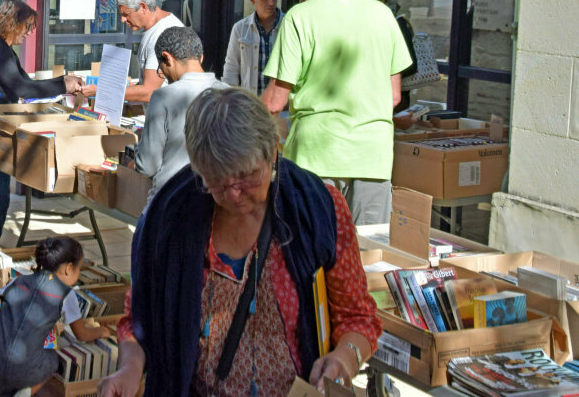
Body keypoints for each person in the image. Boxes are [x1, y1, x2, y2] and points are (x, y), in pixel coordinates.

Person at [99, 87, 381, 396]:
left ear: (272, 150)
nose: (233, 194)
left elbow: (357, 317)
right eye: (217, 182)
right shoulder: (170, 217)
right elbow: (140, 321)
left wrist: (346, 357)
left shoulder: (317, 210)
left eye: (247, 177)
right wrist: (129, 370)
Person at [262, 0, 412, 225]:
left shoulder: (299, 17)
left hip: (318, 154)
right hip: (373, 155)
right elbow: (393, 96)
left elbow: (274, 102)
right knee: (369, 252)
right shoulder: (383, 13)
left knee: (315, 251)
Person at [0, 0, 84, 253]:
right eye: (28, 26)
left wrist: (62, 81)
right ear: (13, 23)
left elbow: (25, 84)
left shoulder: (1, 47)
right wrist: (63, 84)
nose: (30, 33)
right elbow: (22, 89)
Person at [0, 236, 112, 397]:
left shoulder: (20, 280)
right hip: (19, 369)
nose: (79, 274)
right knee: (52, 359)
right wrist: (103, 332)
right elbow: (82, 334)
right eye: (79, 269)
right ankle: (24, 392)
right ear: (68, 268)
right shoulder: (67, 295)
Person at [135, 27, 227, 203]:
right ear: (201, 58)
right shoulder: (229, 95)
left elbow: (148, 165)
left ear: (167, 57)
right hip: (215, 202)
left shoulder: (163, 96)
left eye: (161, 69)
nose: (164, 76)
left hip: (170, 199)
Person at [82, 0, 182, 105]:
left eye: (126, 14)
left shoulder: (163, 34)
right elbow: (152, 83)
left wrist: (100, 91)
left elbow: (150, 92)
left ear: (143, 7)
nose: (123, 20)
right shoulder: (154, 28)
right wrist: (131, 88)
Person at [354, 0, 417, 114]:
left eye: (368, 0)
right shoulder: (358, 23)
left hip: (390, 99)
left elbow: (410, 65)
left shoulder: (395, 24)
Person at [222, 0, 284, 94]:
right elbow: (231, 68)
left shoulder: (288, 24)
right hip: (250, 104)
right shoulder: (240, 28)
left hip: (281, 105)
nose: (271, 3)